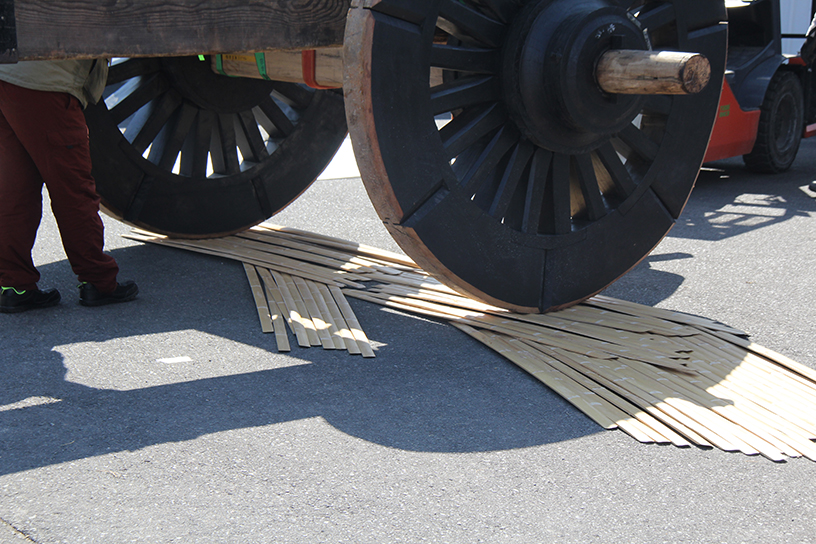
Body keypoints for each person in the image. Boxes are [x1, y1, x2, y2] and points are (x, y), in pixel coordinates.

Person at [0, 59, 138, 313]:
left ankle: (14, 285)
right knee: (73, 189)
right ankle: (98, 281)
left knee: (14, 190)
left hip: (7, 75)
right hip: (44, 83)